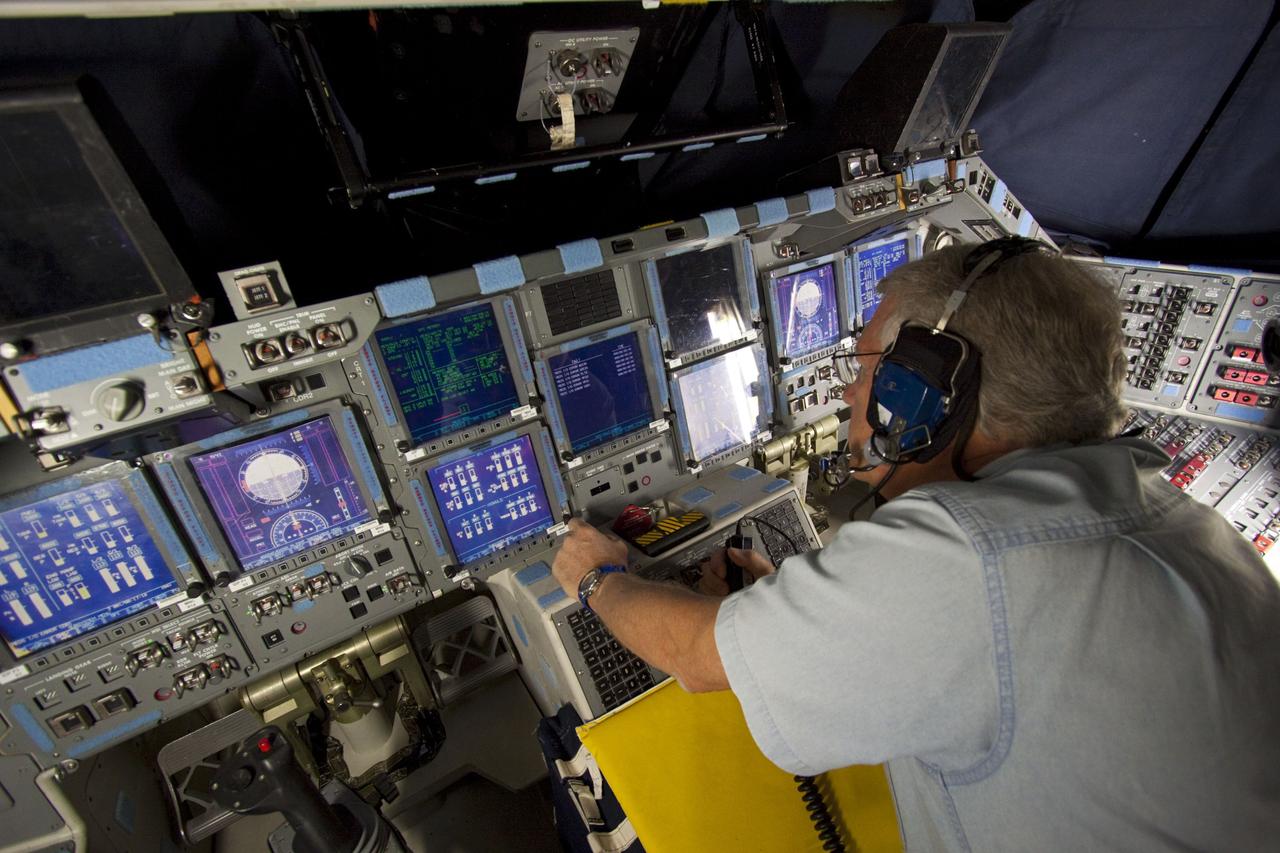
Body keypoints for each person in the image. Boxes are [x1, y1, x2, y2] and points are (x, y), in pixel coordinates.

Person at [551, 242, 1280, 851]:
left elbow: (698, 659)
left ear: (925, 392)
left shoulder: (964, 551)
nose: (846, 397)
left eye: (865, 368)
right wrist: (801, 616)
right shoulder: (1196, 528)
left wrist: (598, 578)